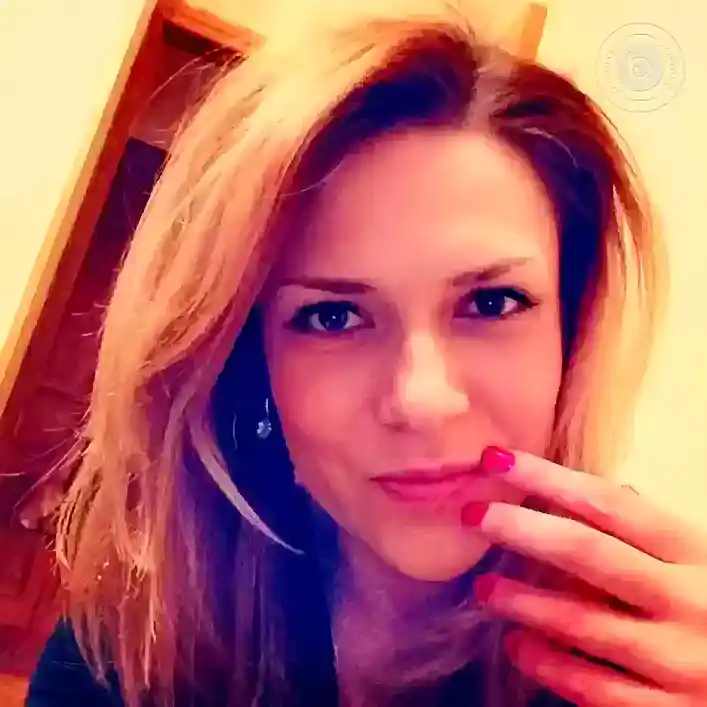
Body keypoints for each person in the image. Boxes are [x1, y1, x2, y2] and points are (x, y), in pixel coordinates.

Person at [26, 5, 707, 707]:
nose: (422, 399)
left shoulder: (651, 662)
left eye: (491, 302)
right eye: (333, 316)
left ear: (572, 327)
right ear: (249, 359)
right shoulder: (130, 646)